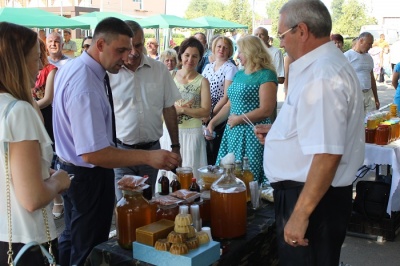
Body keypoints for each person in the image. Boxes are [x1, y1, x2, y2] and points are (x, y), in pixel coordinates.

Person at [52, 17, 180, 265]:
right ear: (100, 44)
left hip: (75, 172)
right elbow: (94, 153)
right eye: (121, 50)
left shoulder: (76, 68)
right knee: (88, 248)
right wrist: (149, 157)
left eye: (132, 49)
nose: (126, 57)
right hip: (87, 175)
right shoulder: (86, 83)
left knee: (72, 237)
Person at [255, 1, 364, 265]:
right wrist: (282, 133)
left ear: (301, 31)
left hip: (313, 201)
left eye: (282, 35)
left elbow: (327, 153)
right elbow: (318, 129)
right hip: (313, 196)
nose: (280, 43)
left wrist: (301, 214)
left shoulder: (323, 73)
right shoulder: (321, 66)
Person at [0, 22, 70, 265]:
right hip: (24, 240)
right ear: (15, 62)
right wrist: (58, 180)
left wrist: (40, 171)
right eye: (34, 58)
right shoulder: (18, 111)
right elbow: (32, 198)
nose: (40, 65)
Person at [109, 20, 181, 201]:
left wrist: (175, 147)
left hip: (152, 152)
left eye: (139, 45)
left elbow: (169, 108)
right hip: (121, 153)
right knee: (124, 206)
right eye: (129, 47)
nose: (134, 52)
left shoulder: (159, 70)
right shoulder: (109, 73)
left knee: (148, 204)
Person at [207, 35, 277, 183]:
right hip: (232, 133)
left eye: (241, 51)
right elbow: (229, 105)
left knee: (249, 175)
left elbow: (266, 109)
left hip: (253, 133)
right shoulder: (239, 74)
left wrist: (239, 119)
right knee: (229, 176)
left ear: (252, 52)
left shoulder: (266, 75)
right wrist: (212, 123)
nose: (237, 55)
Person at [160, 37, 211, 179]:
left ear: (200, 58)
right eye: (187, 55)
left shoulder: (203, 81)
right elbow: (160, 105)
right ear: (181, 56)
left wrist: (181, 110)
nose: (190, 60)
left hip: (192, 133)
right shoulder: (169, 76)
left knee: (190, 174)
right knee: (168, 176)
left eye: (195, 56)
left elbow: (205, 111)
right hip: (169, 132)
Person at [32, 38, 65, 220]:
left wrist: (32, 105)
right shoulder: (20, 109)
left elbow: (48, 98)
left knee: (49, 159)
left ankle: (58, 201)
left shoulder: (51, 70)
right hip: (35, 112)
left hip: (47, 117)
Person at [202, 36, 238, 165]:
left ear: (229, 51)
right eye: (219, 46)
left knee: (214, 150)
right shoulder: (207, 67)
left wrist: (211, 114)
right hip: (205, 112)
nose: (221, 49)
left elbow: (226, 96)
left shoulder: (230, 68)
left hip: (219, 113)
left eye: (225, 47)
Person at [344, 32, 380, 116]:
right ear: (361, 41)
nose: (371, 47)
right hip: (355, 94)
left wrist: (376, 98)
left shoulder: (369, 58)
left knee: (372, 121)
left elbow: (371, 77)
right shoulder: (347, 56)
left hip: (369, 94)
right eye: (369, 44)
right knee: (357, 123)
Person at [254, 26, 284, 123]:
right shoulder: (251, 53)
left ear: (267, 37)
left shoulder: (276, 52)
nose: (258, 37)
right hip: (252, 97)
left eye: (261, 34)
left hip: (268, 98)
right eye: (256, 35)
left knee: (268, 128)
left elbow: (281, 78)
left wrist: (263, 78)